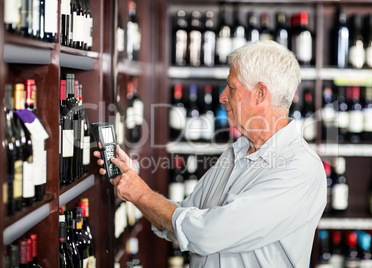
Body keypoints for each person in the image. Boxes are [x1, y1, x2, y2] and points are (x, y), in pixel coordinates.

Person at [95, 40, 326, 267]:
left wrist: (141, 194)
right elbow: (181, 219)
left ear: (260, 94)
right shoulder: (235, 153)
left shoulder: (300, 169)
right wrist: (131, 183)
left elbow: (205, 233)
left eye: (232, 87)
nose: (222, 96)